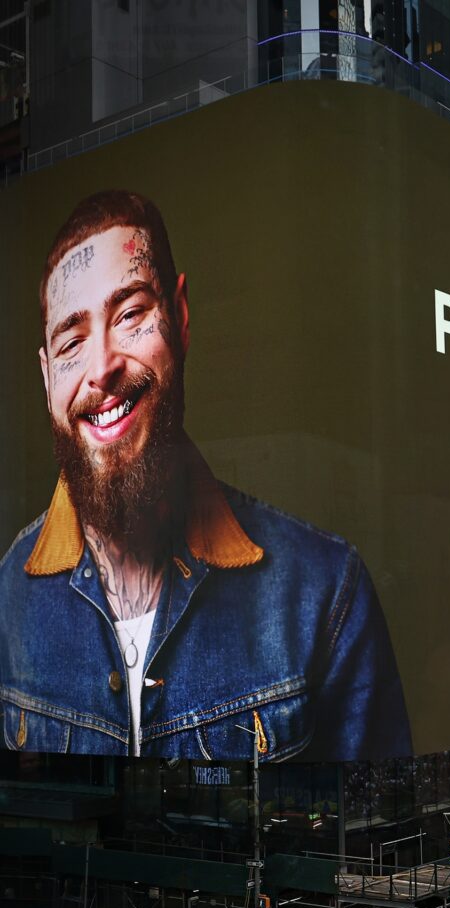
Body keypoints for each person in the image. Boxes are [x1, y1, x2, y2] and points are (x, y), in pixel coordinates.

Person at [0, 190, 412, 759]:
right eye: (72, 341)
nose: (101, 369)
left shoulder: (326, 595)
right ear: (47, 380)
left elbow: (366, 833)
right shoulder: (5, 602)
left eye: (130, 314)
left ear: (181, 317)